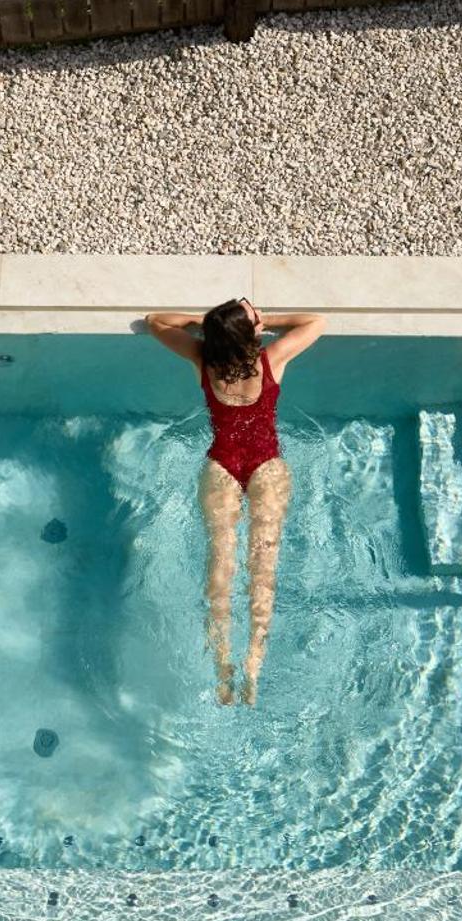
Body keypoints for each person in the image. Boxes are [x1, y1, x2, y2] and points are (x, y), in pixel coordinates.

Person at [146, 299, 327, 706]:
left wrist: (202, 324)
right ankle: (254, 665)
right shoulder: (272, 358)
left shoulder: (201, 359)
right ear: (250, 333)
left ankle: (222, 665)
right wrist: (267, 323)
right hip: (267, 467)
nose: (257, 314)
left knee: (220, 566)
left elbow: (155, 322)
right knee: (263, 568)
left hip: (221, 468)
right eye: (252, 315)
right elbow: (316, 321)